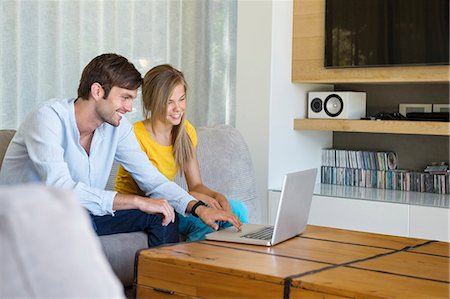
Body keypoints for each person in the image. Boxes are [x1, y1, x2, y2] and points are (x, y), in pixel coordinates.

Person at [0, 53, 241, 247]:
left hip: (80, 212)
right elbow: (61, 189)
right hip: (24, 216)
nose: (129, 107)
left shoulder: (116, 128)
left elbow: (152, 180)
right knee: (78, 220)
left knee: (164, 214)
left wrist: (198, 208)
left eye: (132, 99)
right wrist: (137, 201)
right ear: (97, 91)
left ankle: (160, 290)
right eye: (124, 98)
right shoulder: (47, 119)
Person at [114, 64, 248, 241]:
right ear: (151, 103)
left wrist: (216, 196)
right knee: (204, 222)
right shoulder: (135, 136)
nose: (177, 108)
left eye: (181, 99)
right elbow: (150, 190)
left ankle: (230, 260)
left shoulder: (185, 132)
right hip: (142, 207)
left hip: (173, 201)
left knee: (237, 209)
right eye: (169, 102)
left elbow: (196, 185)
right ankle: (192, 262)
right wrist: (193, 198)